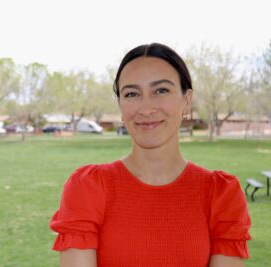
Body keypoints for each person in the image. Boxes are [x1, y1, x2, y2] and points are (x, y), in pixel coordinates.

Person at [49, 43, 251, 267]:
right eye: (132, 94)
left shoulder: (221, 194)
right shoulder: (88, 187)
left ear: (186, 100)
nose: (146, 108)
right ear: (121, 106)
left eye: (161, 90)